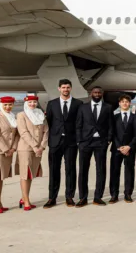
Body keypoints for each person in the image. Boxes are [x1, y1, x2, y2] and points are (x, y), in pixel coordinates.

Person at [44, 79, 82, 208]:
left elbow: (79, 123)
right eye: (63, 87)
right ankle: (52, 198)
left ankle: (69, 196)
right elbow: (48, 122)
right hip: (55, 142)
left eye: (68, 87)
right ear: (59, 89)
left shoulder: (78, 104)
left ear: (71, 88)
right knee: (54, 170)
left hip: (71, 142)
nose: (65, 89)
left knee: (70, 169)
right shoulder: (52, 104)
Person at [75, 86, 113, 207]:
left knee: (101, 170)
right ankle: (83, 197)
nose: (97, 94)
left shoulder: (108, 107)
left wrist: (108, 140)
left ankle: (98, 197)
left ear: (102, 94)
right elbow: (78, 125)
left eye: (99, 92)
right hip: (85, 142)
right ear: (91, 93)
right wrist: (79, 141)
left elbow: (110, 125)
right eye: (95, 92)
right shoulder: (83, 107)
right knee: (83, 170)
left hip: (101, 142)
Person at [16, 95, 48, 211]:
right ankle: (26, 201)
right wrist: (35, 146)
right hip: (26, 148)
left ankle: (24, 198)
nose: (32, 104)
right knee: (25, 174)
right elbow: (23, 132)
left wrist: (42, 146)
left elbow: (46, 131)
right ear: (26, 103)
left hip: (38, 149)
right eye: (30, 102)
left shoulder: (40, 114)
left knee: (31, 175)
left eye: (34, 102)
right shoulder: (21, 115)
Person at [0, 96, 19, 213]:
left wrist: (13, 148)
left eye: (10, 104)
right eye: (5, 105)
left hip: (9, 152)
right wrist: (6, 149)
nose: (8, 107)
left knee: (1, 178)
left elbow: (16, 135)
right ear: (1, 105)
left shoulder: (13, 118)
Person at [109, 94, 136, 203]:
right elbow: (112, 133)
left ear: (130, 103)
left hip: (130, 149)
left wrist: (129, 146)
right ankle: (114, 195)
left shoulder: (135, 117)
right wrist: (119, 146)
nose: (124, 103)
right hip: (116, 149)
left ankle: (128, 194)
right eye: (122, 101)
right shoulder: (114, 117)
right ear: (119, 103)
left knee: (129, 172)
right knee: (114, 172)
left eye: (127, 101)